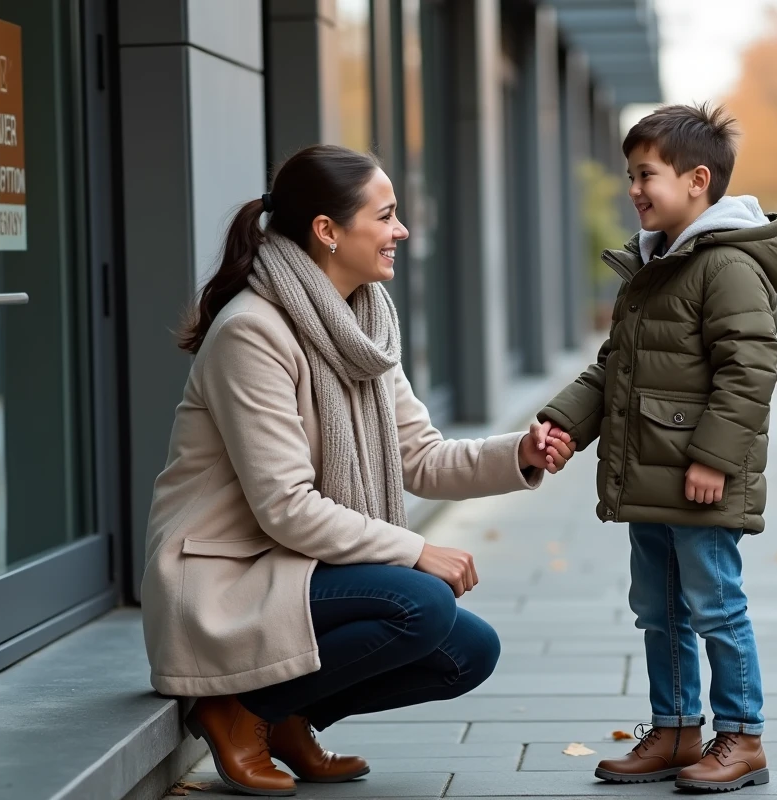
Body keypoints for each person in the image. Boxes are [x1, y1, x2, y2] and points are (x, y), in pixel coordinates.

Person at [140, 145, 576, 797]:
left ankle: (288, 717)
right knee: (420, 602)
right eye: (387, 215)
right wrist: (416, 549)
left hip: (291, 567)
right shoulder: (252, 334)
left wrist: (520, 453)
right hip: (224, 578)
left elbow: (420, 456)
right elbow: (285, 505)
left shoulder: (364, 323)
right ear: (327, 230)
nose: (401, 231)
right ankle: (238, 714)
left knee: (469, 651)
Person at [536, 103, 777, 793]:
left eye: (645, 174)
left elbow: (750, 369)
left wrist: (712, 455)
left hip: (698, 476)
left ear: (697, 180)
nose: (634, 188)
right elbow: (614, 366)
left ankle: (741, 737)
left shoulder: (726, 266)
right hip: (650, 474)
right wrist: (562, 425)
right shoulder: (655, 265)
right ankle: (677, 727)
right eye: (630, 175)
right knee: (659, 606)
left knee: (715, 604)